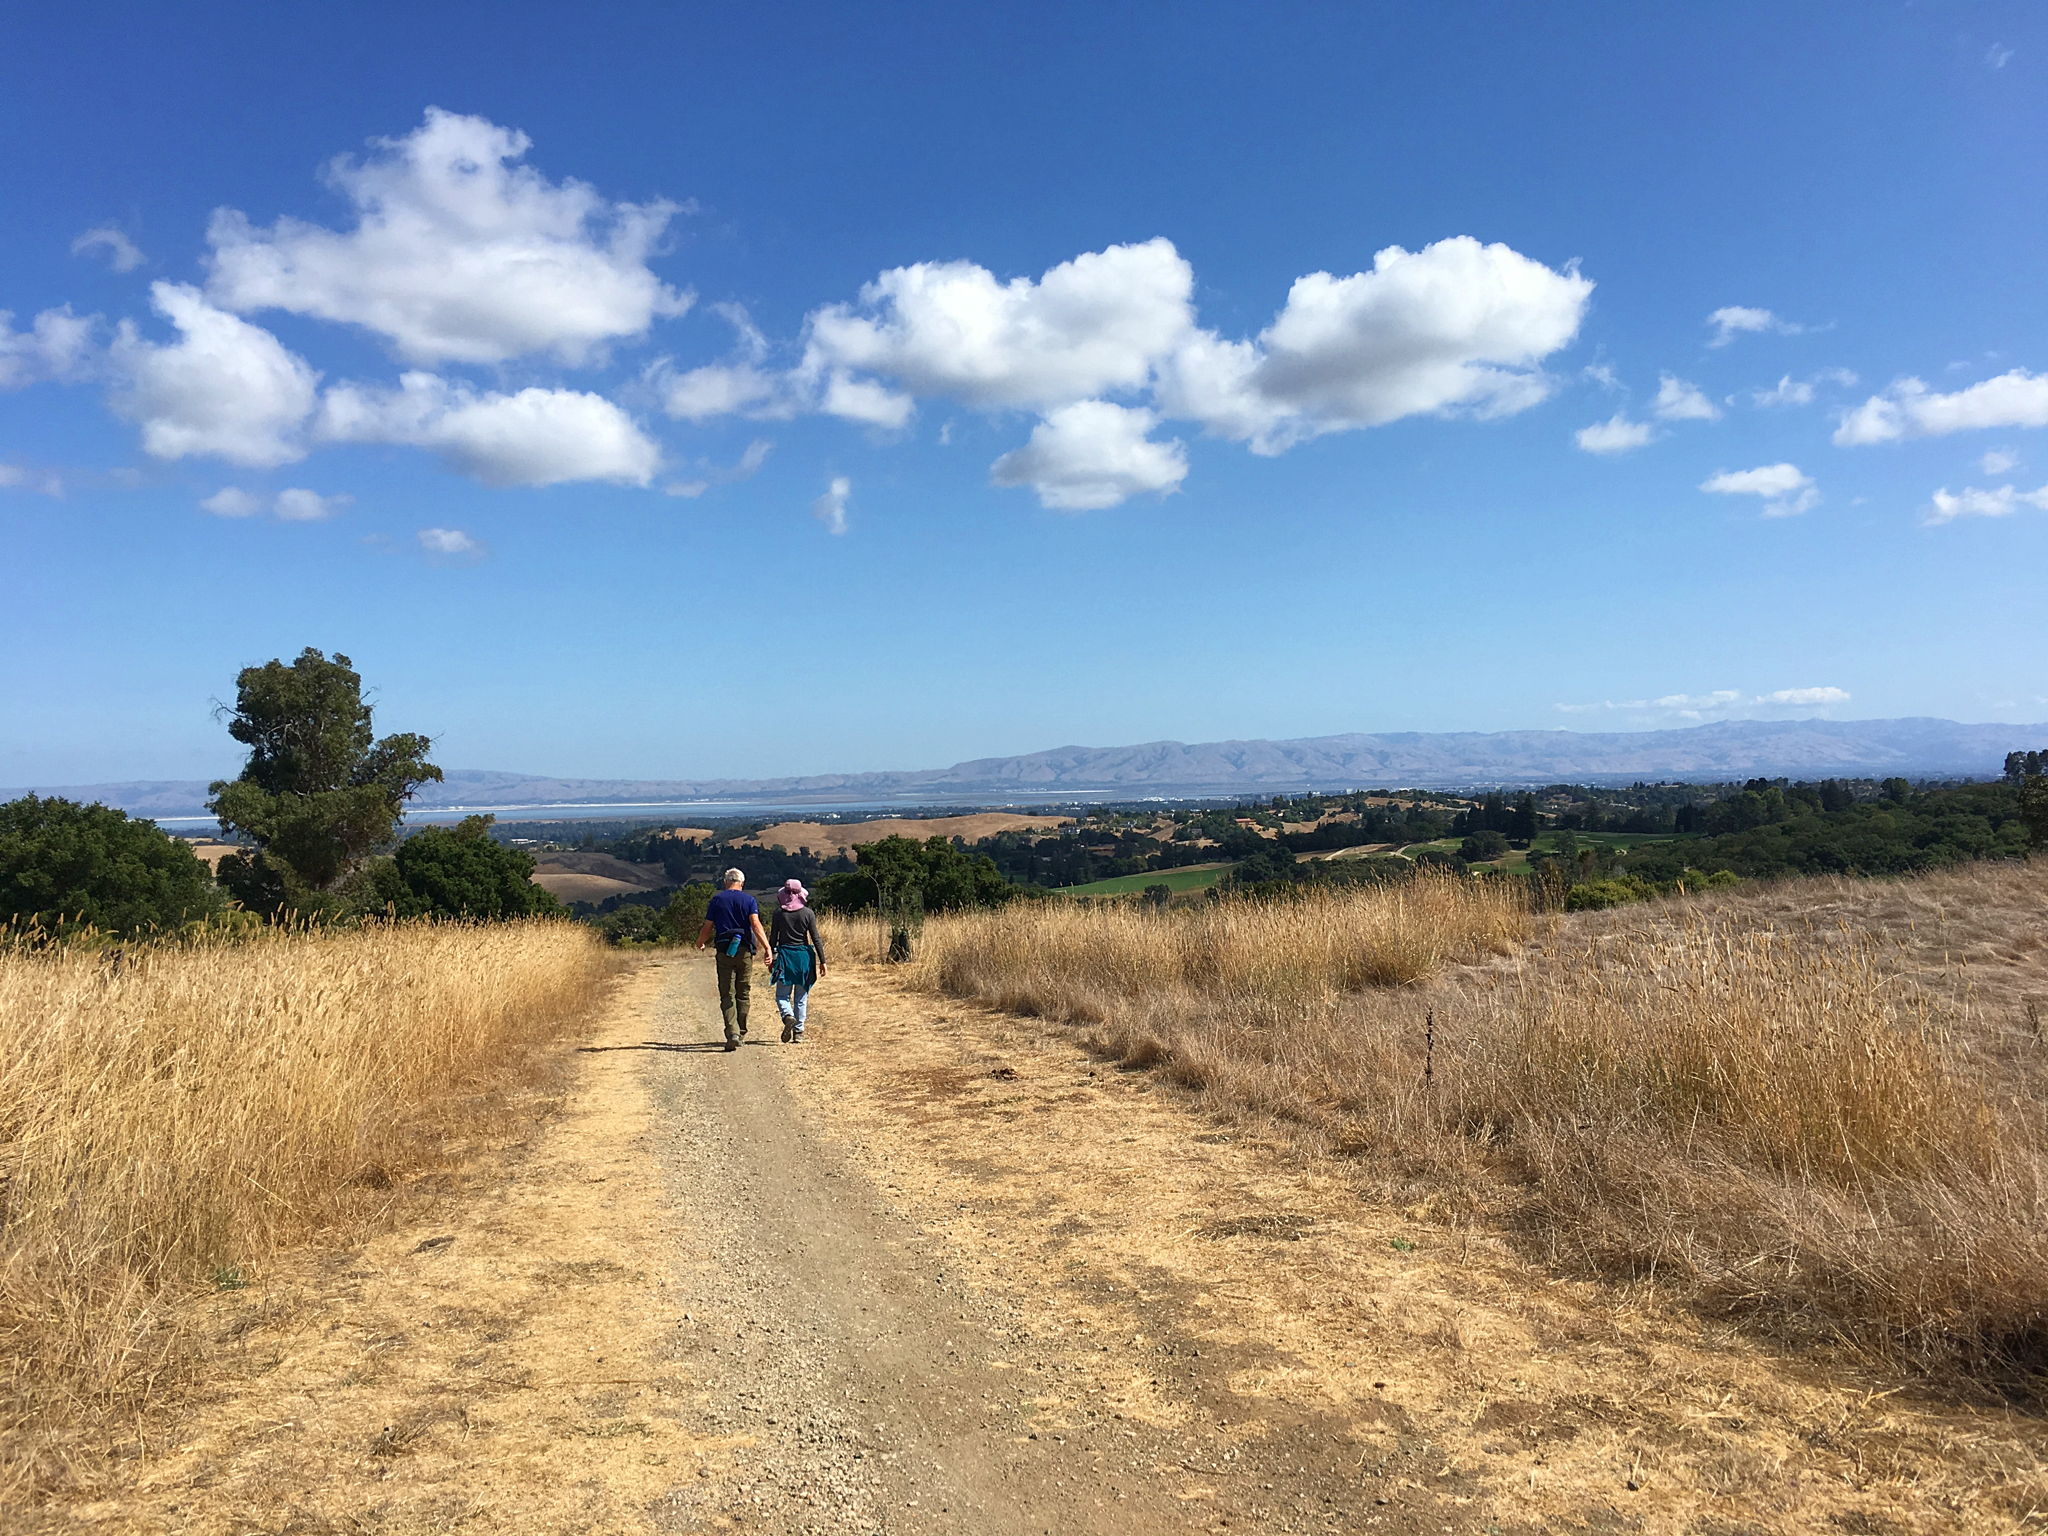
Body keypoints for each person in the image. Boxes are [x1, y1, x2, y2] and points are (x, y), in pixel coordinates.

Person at [697, 868, 772, 1051]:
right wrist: (767, 947)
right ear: (742, 883)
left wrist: (700, 941)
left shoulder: (717, 900)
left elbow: (708, 926)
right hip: (745, 950)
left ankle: (733, 1032)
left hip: (724, 951)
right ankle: (742, 1032)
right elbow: (755, 924)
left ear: (725, 882)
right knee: (743, 992)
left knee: (727, 993)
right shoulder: (749, 900)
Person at [767, 879, 827, 1043]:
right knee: (801, 997)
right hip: (804, 958)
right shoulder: (808, 913)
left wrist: (770, 957)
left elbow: (773, 938)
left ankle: (787, 1016)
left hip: (785, 957)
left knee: (782, 995)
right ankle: (798, 1032)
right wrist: (823, 961)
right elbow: (815, 938)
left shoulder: (779, 914)